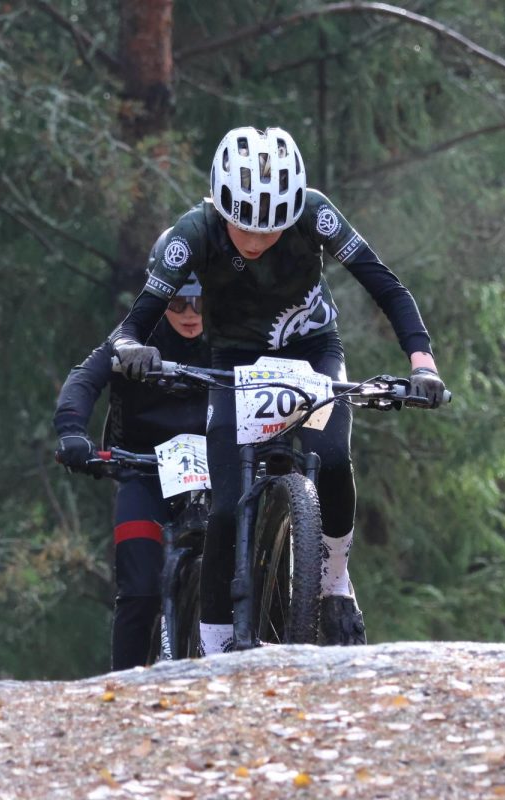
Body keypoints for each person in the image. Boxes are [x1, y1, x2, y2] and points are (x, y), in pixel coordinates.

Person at [109, 126, 446, 653]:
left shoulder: (315, 213)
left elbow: (385, 285)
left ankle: (334, 583)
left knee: (331, 457)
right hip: (236, 360)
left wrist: (422, 365)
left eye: (271, 230)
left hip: (312, 349)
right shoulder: (193, 232)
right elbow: (136, 321)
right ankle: (215, 646)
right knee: (224, 508)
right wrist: (132, 347)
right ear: (222, 208)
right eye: (244, 227)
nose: (256, 241)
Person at [54, 244, 211, 671]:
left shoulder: (233, 331)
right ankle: (123, 690)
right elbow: (84, 380)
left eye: (201, 300)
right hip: (144, 471)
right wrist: (72, 433)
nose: (191, 312)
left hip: (218, 468)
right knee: (140, 590)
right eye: (177, 301)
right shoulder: (135, 332)